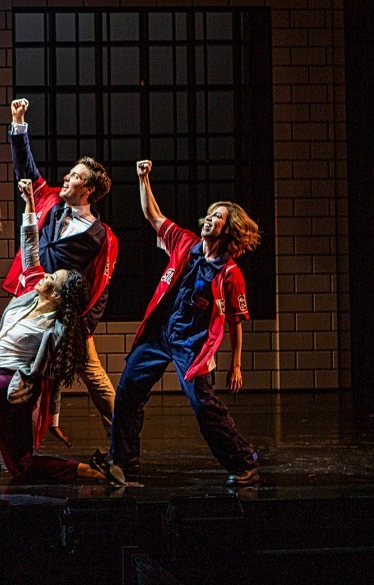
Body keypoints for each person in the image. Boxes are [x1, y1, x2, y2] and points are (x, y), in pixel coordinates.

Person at [91, 160, 262, 488]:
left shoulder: (230, 273)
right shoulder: (185, 243)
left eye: (217, 217)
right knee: (128, 392)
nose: (209, 218)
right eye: (209, 214)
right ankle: (124, 463)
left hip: (192, 344)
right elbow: (152, 215)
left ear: (229, 229)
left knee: (204, 406)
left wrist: (236, 365)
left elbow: (236, 321)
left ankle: (244, 463)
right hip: (159, 333)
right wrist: (143, 178)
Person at [0, 181, 107, 485]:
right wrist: (29, 204)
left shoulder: (55, 326)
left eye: (53, 278)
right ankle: (89, 470)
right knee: (21, 467)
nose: (45, 275)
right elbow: (30, 246)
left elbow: (55, 376)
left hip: (12, 384)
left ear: (58, 293)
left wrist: (52, 416)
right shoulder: (31, 295)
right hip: (5, 383)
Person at [6, 98, 118, 445]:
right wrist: (19, 123)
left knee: (94, 377)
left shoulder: (100, 235)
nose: (67, 178)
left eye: (76, 177)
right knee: (6, 364)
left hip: (66, 311)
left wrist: (82, 324)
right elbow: (25, 169)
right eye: (69, 173)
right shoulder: (51, 203)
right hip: (32, 299)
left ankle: (123, 442)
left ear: (89, 190)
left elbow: (100, 285)